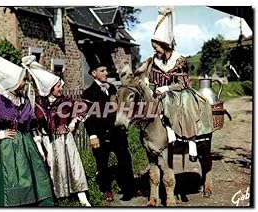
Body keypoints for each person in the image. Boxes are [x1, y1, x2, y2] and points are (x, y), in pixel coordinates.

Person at [0, 45, 54, 206]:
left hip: (26, 141)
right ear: (14, 83)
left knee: (34, 173)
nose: (25, 82)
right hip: (9, 144)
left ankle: (35, 203)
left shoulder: (24, 99)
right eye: (23, 80)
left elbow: (32, 123)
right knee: (12, 175)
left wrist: (39, 146)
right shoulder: (0, 100)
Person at [22, 56, 91, 207]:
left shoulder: (65, 101)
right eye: (58, 86)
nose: (61, 88)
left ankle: (81, 196)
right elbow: (33, 122)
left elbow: (84, 108)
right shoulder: (39, 104)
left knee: (73, 165)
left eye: (61, 86)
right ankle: (57, 195)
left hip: (65, 140)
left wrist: (73, 122)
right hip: (47, 141)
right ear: (49, 89)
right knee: (53, 167)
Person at [148, 7, 214, 161]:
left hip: (180, 91)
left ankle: (191, 141)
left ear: (165, 46)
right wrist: (151, 89)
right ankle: (168, 132)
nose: (155, 50)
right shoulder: (155, 60)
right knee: (155, 104)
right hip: (161, 94)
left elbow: (182, 83)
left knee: (186, 102)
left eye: (156, 47)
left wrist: (166, 88)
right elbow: (151, 80)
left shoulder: (179, 59)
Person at [82, 63, 136, 202]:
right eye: (103, 70)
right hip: (100, 134)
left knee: (125, 159)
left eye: (106, 70)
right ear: (94, 73)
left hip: (116, 132)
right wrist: (92, 135)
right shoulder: (88, 93)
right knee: (102, 163)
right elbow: (86, 116)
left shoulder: (112, 88)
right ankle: (106, 190)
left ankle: (129, 188)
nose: (106, 73)